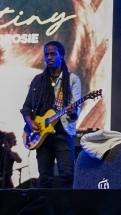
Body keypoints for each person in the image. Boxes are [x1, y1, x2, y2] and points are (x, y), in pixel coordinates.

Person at [20, 41, 82, 188]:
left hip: (63, 133)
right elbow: (27, 107)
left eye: (53, 54)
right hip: (41, 135)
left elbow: (75, 114)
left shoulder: (72, 79)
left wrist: (73, 112)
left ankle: (67, 210)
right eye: (46, 55)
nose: (49, 57)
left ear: (62, 55)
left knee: (67, 176)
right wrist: (30, 123)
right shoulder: (38, 80)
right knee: (45, 179)